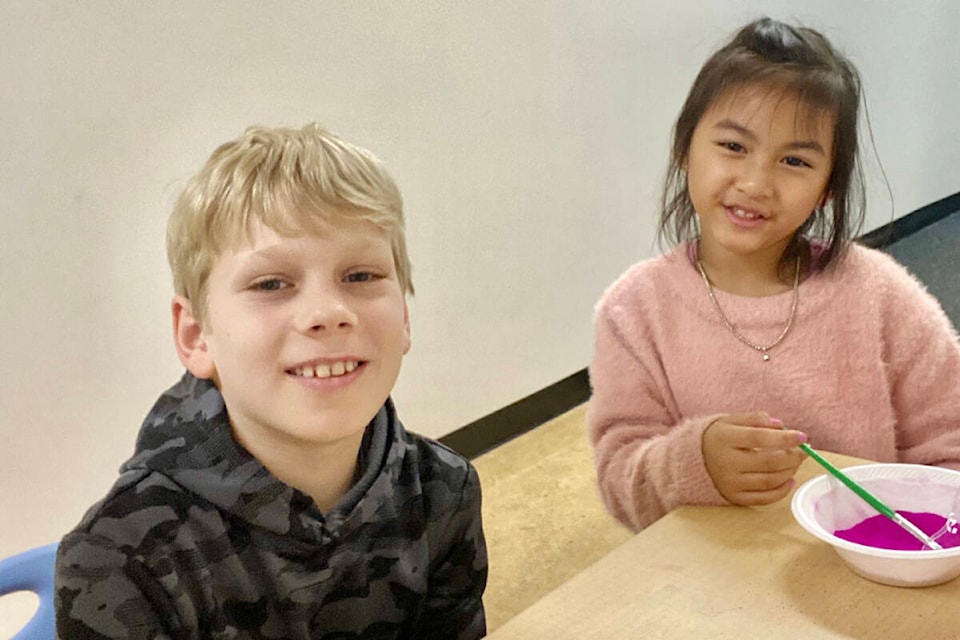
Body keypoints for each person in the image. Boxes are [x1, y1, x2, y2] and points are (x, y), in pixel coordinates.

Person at [55, 124, 488, 638]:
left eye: (361, 276)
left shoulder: (444, 490)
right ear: (196, 336)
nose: (328, 313)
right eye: (271, 284)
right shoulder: (120, 563)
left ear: (406, 319)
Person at [587, 17, 960, 532]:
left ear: (828, 187)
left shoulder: (882, 295)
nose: (757, 182)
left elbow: (950, 449)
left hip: (865, 574)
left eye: (794, 160)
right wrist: (692, 462)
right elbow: (620, 478)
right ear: (684, 148)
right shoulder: (633, 311)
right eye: (734, 147)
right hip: (705, 580)